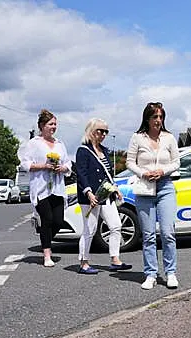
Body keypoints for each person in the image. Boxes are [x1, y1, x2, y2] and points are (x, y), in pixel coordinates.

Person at [126, 102, 180, 290]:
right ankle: (151, 274)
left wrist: (162, 170)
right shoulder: (137, 138)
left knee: (167, 233)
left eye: (160, 117)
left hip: (165, 186)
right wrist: (143, 173)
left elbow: (176, 163)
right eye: (154, 117)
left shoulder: (169, 138)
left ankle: (170, 272)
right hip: (145, 189)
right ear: (147, 119)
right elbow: (129, 162)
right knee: (148, 235)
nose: (158, 120)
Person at [75, 118, 132, 274]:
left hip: (106, 195)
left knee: (116, 225)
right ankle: (84, 262)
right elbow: (81, 173)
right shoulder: (83, 150)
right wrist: (88, 192)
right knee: (90, 229)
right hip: (91, 197)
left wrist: (115, 189)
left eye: (106, 131)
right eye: (100, 131)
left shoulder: (104, 150)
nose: (103, 134)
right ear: (91, 131)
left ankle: (115, 259)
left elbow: (108, 174)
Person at [18, 109, 72, 267]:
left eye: (55, 124)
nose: (54, 127)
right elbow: (25, 163)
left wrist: (62, 168)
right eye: (50, 124)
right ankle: (47, 254)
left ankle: (44, 236)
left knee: (59, 221)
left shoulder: (60, 144)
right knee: (47, 219)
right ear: (42, 126)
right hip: (41, 188)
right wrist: (43, 166)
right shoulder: (34, 143)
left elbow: (68, 163)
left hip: (57, 186)